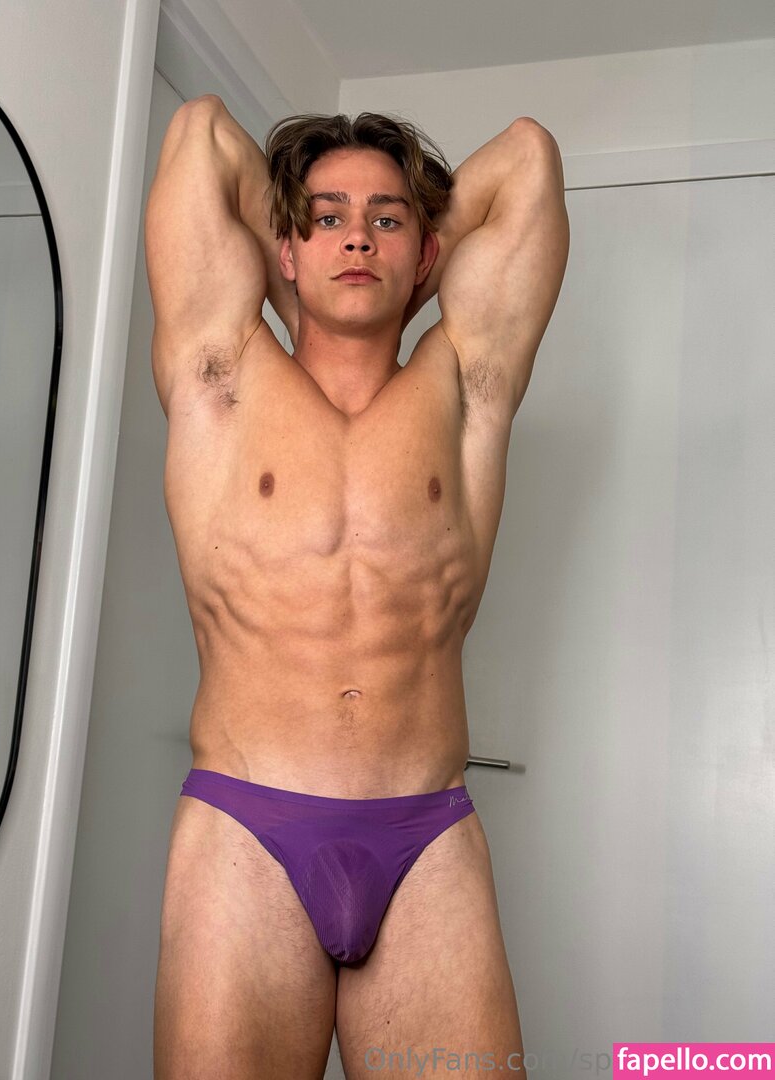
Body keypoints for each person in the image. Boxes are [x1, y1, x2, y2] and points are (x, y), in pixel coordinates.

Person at [144, 93, 569, 1079]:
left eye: (386, 219)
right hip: (246, 832)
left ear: (427, 254)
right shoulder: (222, 371)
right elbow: (200, 131)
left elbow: (528, 158)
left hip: (426, 836)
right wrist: (310, 272)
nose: (357, 236)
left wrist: (395, 270)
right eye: (326, 218)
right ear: (284, 247)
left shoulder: (464, 383)